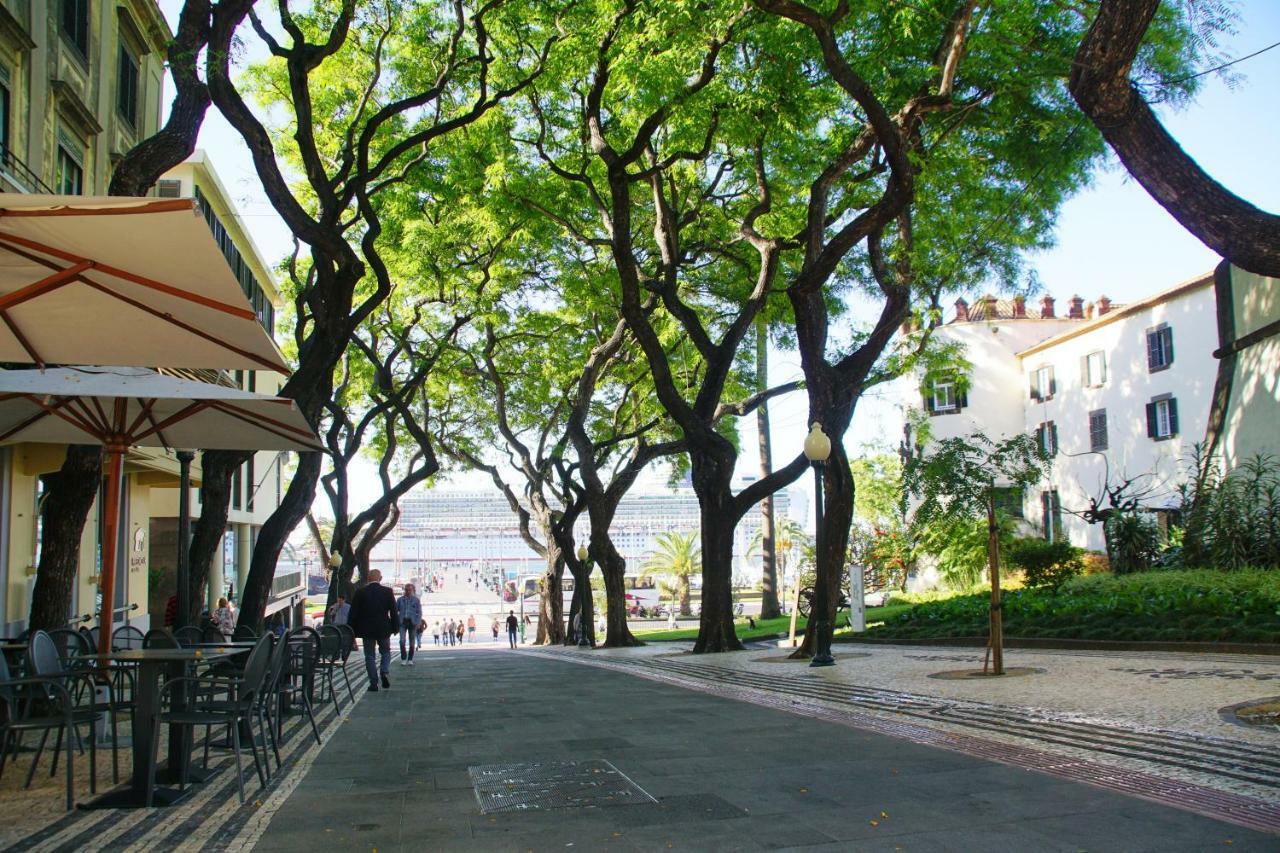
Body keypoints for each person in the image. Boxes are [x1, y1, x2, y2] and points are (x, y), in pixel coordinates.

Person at [347, 569, 397, 692]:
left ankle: (373, 683)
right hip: (383, 628)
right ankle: (384, 671)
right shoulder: (387, 592)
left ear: (368, 578)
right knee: (385, 652)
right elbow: (394, 612)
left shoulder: (360, 592)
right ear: (380, 578)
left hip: (367, 629)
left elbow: (353, 613)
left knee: (369, 656)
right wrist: (395, 627)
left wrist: (351, 630)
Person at [397, 583, 422, 665]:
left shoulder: (416, 600)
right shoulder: (400, 600)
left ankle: (410, 659)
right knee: (402, 641)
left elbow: (419, 612)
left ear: (412, 590)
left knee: (412, 642)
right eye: (406, 590)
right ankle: (403, 658)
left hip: (412, 623)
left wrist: (418, 622)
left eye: (409, 590)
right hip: (402, 622)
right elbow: (396, 611)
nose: (408, 591)